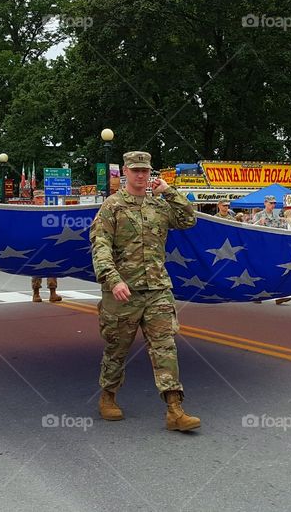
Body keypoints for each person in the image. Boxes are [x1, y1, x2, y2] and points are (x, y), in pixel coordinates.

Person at [90, 151, 200, 431]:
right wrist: (113, 280)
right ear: (125, 171)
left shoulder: (160, 206)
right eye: (136, 170)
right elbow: (100, 247)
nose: (141, 175)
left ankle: (175, 409)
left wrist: (170, 192)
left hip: (157, 289)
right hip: (123, 292)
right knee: (117, 348)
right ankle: (108, 397)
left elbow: (189, 221)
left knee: (165, 347)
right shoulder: (111, 207)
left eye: (145, 171)